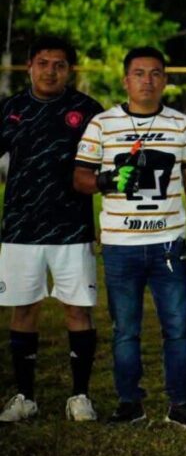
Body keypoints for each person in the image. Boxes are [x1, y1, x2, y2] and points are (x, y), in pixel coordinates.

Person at [73, 47, 186, 428]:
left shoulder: (181, 124)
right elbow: (79, 178)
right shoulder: (102, 123)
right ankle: (129, 402)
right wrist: (104, 180)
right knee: (125, 330)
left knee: (177, 328)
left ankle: (180, 403)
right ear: (125, 80)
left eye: (155, 73)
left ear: (165, 80)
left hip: (168, 241)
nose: (147, 80)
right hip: (120, 244)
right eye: (138, 73)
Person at [0, 37, 104, 423]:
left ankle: (80, 396)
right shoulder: (12, 109)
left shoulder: (87, 111)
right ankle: (25, 396)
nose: (50, 71)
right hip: (20, 228)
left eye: (59, 64)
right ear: (30, 66)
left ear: (70, 70)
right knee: (23, 309)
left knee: (78, 310)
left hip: (71, 229)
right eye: (43, 63)